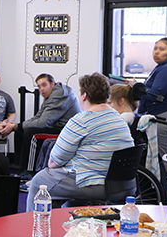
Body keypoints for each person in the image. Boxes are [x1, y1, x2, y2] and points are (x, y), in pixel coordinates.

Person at [25, 73, 134, 206]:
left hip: (97, 185)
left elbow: (54, 162)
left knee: (39, 181)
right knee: (70, 204)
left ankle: (35, 226)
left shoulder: (81, 121)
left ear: (84, 95)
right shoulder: (118, 118)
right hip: (125, 184)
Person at [12, 73, 80, 179]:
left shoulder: (59, 95)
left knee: (31, 133)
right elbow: (38, 117)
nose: (41, 89)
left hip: (67, 131)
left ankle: (30, 171)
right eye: (39, 86)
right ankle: (20, 168)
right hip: (58, 127)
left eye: (44, 85)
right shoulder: (51, 96)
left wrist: (17, 126)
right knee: (21, 131)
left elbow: (43, 123)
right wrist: (17, 126)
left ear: (52, 84)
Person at [136, 36, 167, 169]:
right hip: (160, 114)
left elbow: (155, 94)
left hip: (161, 116)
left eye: (162, 49)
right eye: (155, 48)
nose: (156, 52)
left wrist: (137, 88)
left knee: (160, 157)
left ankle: (163, 187)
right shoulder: (163, 67)